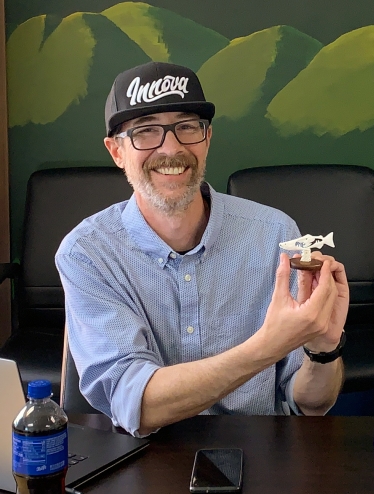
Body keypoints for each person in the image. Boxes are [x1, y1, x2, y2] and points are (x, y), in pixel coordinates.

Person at [55, 61, 349, 437]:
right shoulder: (87, 253)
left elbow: (309, 404)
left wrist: (323, 350)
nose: (172, 148)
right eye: (146, 132)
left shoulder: (275, 232)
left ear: (207, 138)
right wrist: (268, 345)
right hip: (144, 459)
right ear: (116, 151)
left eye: (187, 127)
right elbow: (136, 406)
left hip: (258, 453)